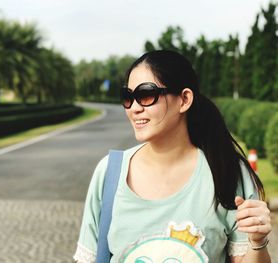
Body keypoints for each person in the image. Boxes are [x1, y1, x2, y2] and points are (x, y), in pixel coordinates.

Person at [73, 50, 272, 263]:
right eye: (128, 97)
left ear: (184, 100)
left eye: (146, 95)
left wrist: (257, 242)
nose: (134, 108)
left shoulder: (226, 171)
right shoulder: (109, 173)